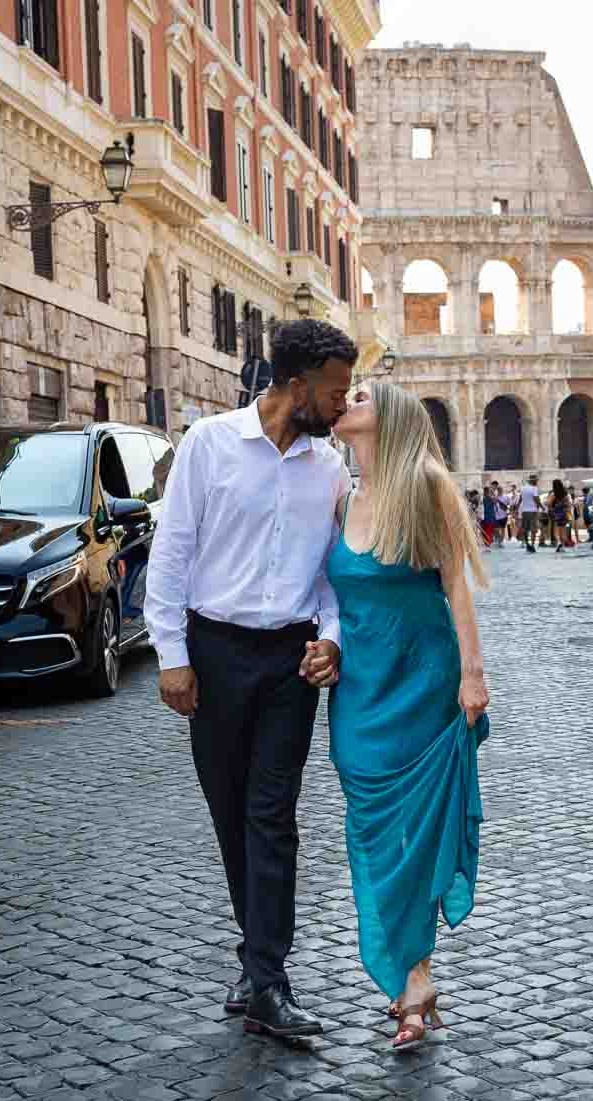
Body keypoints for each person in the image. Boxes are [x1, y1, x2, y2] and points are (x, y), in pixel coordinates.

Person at [144, 318, 359, 1042]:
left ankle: (269, 978)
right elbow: (172, 553)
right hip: (215, 654)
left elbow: (334, 578)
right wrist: (172, 654)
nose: (342, 404)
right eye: (334, 391)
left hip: (289, 662)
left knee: (272, 817)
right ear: (295, 386)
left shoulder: (330, 467)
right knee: (231, 815)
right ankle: (256, 964)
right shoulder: (209, 444)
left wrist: (330, 640)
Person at [323, 383, 490, 1051]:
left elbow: (456, 582)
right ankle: (407, 973)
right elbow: (324, 595)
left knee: (416, 840)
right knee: (370, 833)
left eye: (360, 393)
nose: (346, 399)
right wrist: (324, 643)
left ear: (387, 416)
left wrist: (473, 675)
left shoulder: (424, 483)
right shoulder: (339, 499)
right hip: (360, 694)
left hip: (424, 684)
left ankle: (413, 984)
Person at [546, 479, 573, 553]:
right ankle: (563, 546)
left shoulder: (554, 493)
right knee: (563, 530)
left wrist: (552, 508)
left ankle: (559, 544)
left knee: (557, 530)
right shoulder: (565, 493)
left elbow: (548, 503)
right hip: (564, 514)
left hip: (556, 513)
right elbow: (569, 505)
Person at [519, 473, 542, 553]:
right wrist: (541, 506)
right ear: (533, 481)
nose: (537, 482)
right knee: (533, 529)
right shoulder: (534, 488)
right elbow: (536, 499)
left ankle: (527, 543)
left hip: (524, 511)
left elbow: (520, 498)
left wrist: (518, 507)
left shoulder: (523, 488)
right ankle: (532, 544)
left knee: (525, 528)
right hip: (533, 511)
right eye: (536, 480)